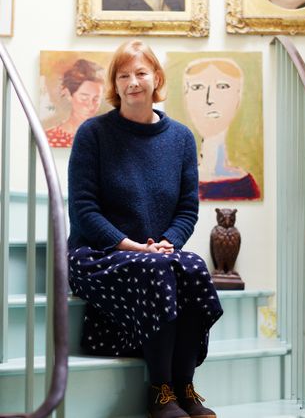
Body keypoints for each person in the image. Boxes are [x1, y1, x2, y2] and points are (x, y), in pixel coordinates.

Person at [67, 40, 223, 418]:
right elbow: (84, 210)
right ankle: (161, 391)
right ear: (115, 85)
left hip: (158, 253)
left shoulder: (182, 138)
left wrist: (168, 244)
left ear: (156, 78)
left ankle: (185, 387)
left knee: (194, 267)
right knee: (156, 269)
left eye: (140, 73)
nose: (133, 82)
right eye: (123, 76)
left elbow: (188, 209)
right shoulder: (93, 134)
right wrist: (133, 247)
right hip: (98, 254)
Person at [183, 58, 260, 201]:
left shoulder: (246, 185)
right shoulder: (178, 178)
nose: (210, 98)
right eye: (198, 87)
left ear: (238, 96)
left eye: (222, 87)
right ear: (186, 96)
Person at [45, 59, 105, 147]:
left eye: (96, 98)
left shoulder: (108, 136)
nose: (91, 105)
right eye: (84, 98)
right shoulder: (49, 137)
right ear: (68, 94)